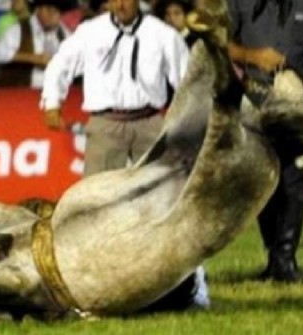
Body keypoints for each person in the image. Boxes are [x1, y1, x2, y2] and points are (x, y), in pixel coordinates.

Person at [41, 0, 209, 310]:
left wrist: (186, 119)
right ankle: (87, 287)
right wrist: (53, 101)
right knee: (91, 209)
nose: (120, 4)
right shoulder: (90, 32)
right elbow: (61, 63)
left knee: (171, 204)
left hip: (150, 123)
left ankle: (192, 286)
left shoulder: (163, 35)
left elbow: (188, 80)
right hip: (105, 125)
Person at [227, 0, 303, 282]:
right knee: (262, 179)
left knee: (298, 181)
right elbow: (222, 43)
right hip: (258, 97)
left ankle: (285, 260)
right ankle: (274, 255)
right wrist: (254, 56)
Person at [0, 0, 70, 88]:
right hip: (24, 92)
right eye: (49, 9)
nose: (52, 15)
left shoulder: (63, 32)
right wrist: (32, 57)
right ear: (38, 9)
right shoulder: (20, 29)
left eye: (56, 11)